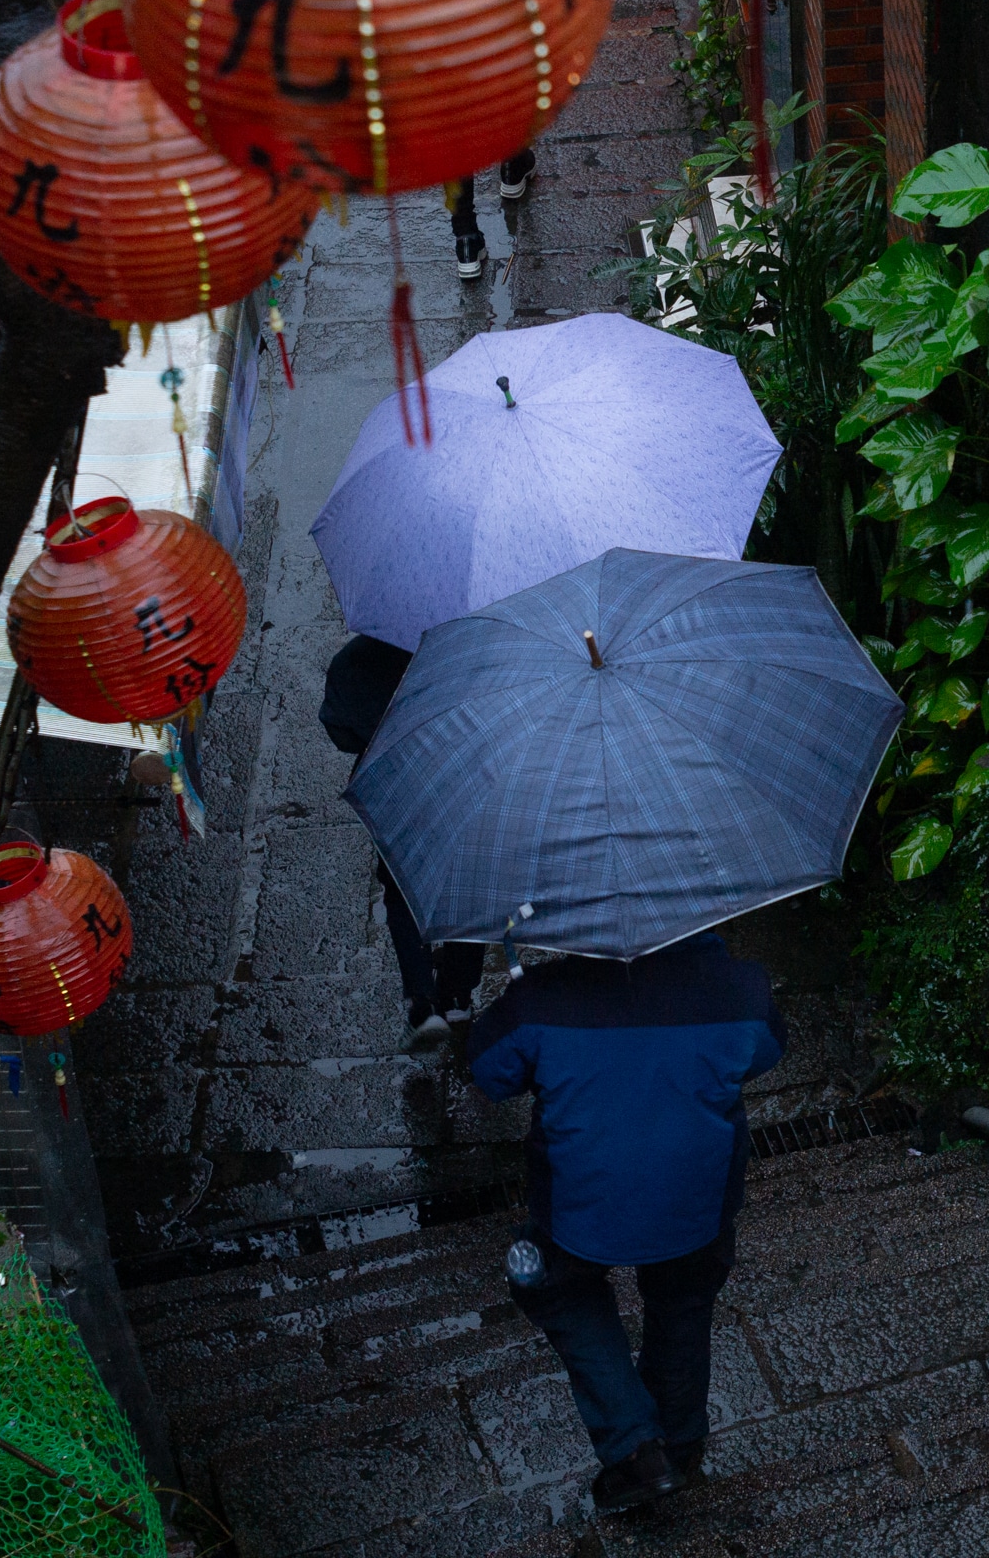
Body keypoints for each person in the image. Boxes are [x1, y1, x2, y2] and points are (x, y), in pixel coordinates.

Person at [471, 935, 784, 1514]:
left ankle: (637, 1447)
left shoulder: (538, 1000)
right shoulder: (742, 988)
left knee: (555, 1285)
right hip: (697, 1202)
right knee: (684, 1298)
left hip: (578, 1210)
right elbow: (765, 1052)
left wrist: (525, 1003)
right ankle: (682, 1445)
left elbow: (489, 1074)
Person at [319, 633, 479, 1051]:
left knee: (401, 886)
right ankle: (458, 994)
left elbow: (341, 730)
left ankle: (422, 1000)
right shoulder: (475, 649)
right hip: (463, 775)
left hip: (397, 783)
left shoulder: (360, 658)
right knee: (470, 879)